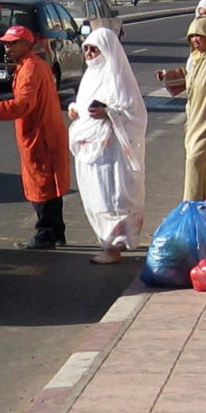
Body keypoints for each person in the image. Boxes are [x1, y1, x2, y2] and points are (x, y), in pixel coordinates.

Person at [0, 25, 70, 250]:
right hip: (46, 132)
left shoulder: (30, 69)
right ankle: (56, 232)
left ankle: (46, 232)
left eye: (12, 43)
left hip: (40, 135)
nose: (7, 48)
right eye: (6, 43)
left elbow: (23, 104)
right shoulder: (34, 65)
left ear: (28, 44)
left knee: (41, 183)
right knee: (49, 183)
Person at [67, 27, 147, 264]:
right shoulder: (90, 77)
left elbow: (135, 113)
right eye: (87, 49)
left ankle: (115, 247)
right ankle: (107, 243)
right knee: (95, 195)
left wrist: (108, 112)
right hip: (90, 149)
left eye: (95, 49)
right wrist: (77, 110)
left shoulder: (119, 78)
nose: (90, 54)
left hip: (112, 152)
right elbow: (84, 105)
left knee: (112, 195)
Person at [157, 16, 206, 205]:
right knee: (202, 166)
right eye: (192, 36)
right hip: (195, 122)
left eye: (200, 35)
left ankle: (190, 208)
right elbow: (192, 79)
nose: (195, 40)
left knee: (195, 162)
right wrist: (169, 75)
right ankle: (204, 214)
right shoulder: (197, 58)